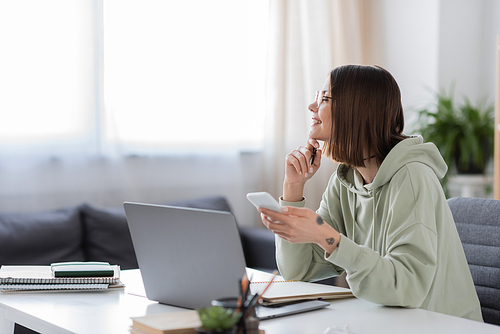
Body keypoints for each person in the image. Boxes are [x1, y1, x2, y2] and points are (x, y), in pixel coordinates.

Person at [258, 64, 483, 322]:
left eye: (324, 99)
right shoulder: (344, 182)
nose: (312, 106)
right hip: (389, 323)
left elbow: (406, 287)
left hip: (442, 326)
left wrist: (328, 237)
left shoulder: (412, 177)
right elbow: (298, 271)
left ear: (356, 111)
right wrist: (293, 189)